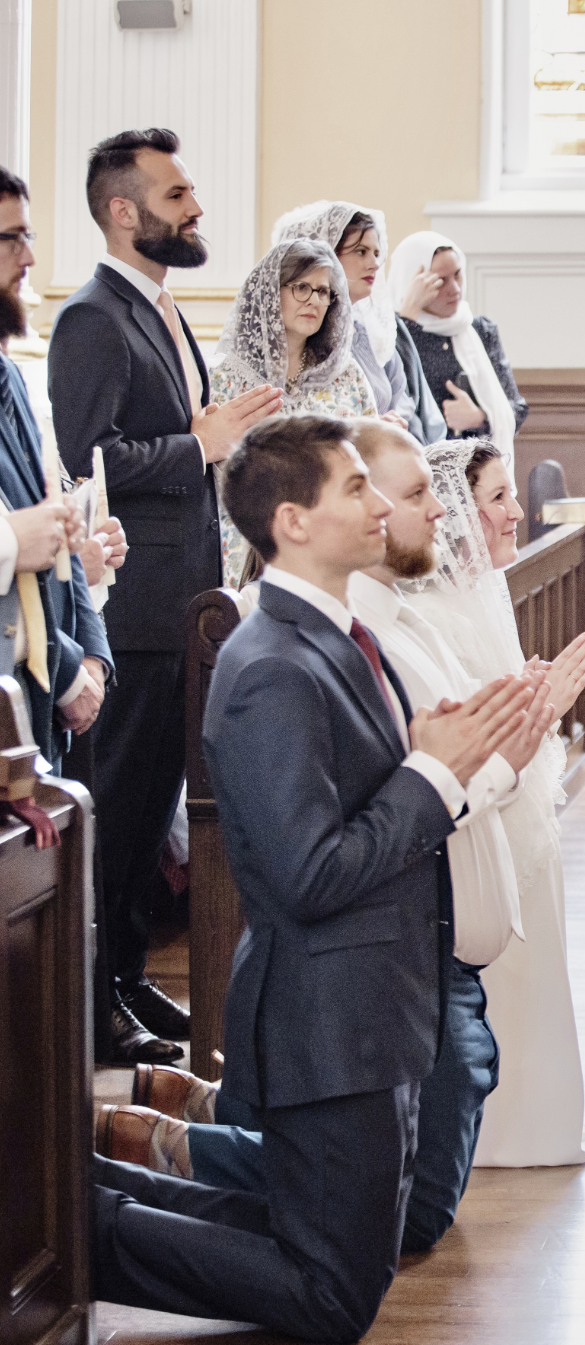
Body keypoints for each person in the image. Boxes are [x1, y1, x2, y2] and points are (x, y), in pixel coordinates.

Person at [88, 414, 538, 1343]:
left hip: (375, 1008)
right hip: (329, 1020)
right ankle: (80, 1225)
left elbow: (362, 806)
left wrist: (441, 762)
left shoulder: (333, 636)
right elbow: (307, 874)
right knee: (333, 1296)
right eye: (356, 490)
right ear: (292, 520)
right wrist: (433, 776)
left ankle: (92, 1194)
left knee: (328, 1257)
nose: (383, 506)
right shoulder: (269, 665)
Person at [47, 127, 282, 1064]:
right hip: (134, 606)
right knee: (121, 809)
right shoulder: (93, 317)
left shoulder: (162, 307)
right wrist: (202, 444)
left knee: (150, 819)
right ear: (123, 211)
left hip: (182, 601)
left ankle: (130, 974)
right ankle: (93, 1002)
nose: (194, 210)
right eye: (176, 195)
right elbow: (83, 458)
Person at [408, 439, 585, 1166]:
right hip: (481, 815)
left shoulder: (483, 589)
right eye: (498, 498)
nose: (516, 513)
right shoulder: (433, 610)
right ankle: (506, 1128)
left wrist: (527, 694)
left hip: (515, 799)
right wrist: (530, 706)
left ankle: (546, 1117)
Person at [0, 167, 112, 776]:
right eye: (12, 238)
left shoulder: (13, 378)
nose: (30, 257)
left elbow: (57, 531)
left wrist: (89, 657)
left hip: (34, 713)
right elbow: (26, 538)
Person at [212, 238, 378, 582]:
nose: (315, 300)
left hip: (333, 538)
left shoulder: (346, 374)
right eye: (302, 287)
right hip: (245, 544)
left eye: (323, 292)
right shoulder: (226, 378)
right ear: (272, 292)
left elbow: (369, 462)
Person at [271, 201, 446, 445]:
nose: (374, 263)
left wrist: (393, 425)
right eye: (361, 251)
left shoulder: (370, 332)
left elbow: (401, 398)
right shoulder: (303, 336)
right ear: (327, 253)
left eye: (376, 253)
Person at [389, 232, 527, 460]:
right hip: (422, 466)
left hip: (481, 467)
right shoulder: (394, 333)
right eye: (440, 280)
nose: (454, 289)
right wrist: (408, 315)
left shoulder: (480, 330)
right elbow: (394, 401)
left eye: (457, 275)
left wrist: (479, 417)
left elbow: (518, 408)